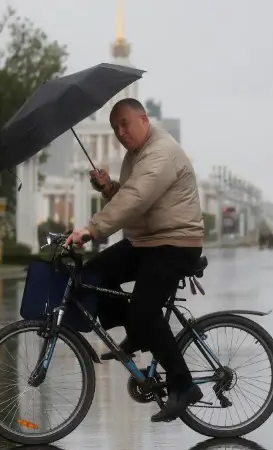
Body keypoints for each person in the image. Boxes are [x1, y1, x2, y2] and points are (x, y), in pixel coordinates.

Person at [64, 97, 205, 422]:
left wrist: (92, 229)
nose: (120, 132)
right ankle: (140, 333)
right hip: (147, 241)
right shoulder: (136, 155)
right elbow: (132, 195)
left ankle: (183, 386)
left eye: (124, 124)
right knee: (94, 274)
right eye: (115, 128)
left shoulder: (161, 152)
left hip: (175, 243)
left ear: (143, 119)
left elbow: (137, 197)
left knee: (144, 310)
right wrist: (109, 186)